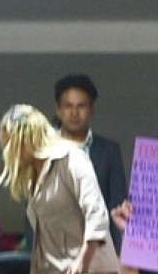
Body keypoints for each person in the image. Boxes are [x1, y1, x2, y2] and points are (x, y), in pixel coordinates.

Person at [0, 103, 118, 274]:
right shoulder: (32, 176)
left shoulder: (70, 158)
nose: (7, 153)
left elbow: (96, 211)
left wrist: (83, 259)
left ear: (24, 139)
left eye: (9, 145)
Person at [53, 73, 128, 225]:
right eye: (68, 106)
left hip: (98, 243)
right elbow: (32, 211)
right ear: (58, 111)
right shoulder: (41, 151)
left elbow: (117, 206)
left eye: (81, 106)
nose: (74, 113)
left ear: (91, 110)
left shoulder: (109, 152)